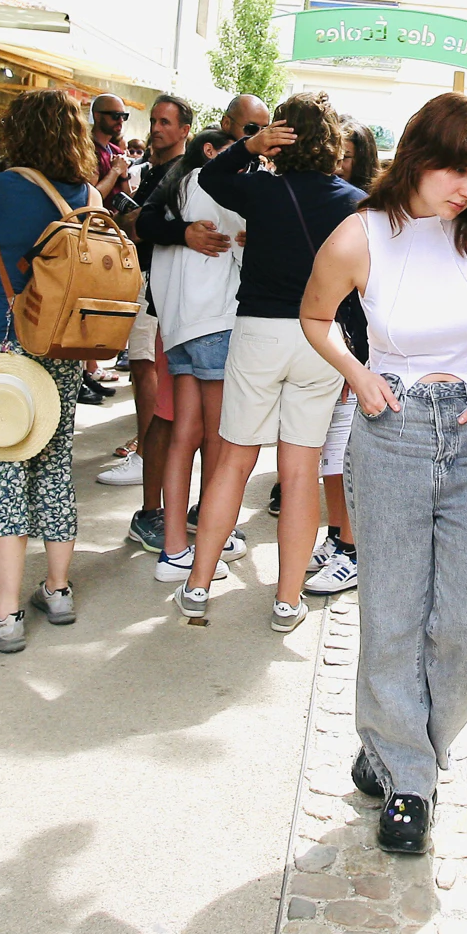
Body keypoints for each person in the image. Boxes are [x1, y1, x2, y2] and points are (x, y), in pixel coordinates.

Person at [298, 93, 467, 855]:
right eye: (456, 170)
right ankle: (411, 778)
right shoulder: (359, 235)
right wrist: (357, 373)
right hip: (395, 428)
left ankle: (397, 747)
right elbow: (315, 317)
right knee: (393, 612)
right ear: (417, 155)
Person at [180, 93, 364, 630]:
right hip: (321, 338)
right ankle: (286, 601)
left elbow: (210, 178)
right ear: (331, 141)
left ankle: (197, 585)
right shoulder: (354, 201)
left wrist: (250, 145)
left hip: (258, 332)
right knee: (301, 470)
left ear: (282, 136)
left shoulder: (259, 189)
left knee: (234, 461)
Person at [0, 88, 95, 648]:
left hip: (4, 346)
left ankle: (5, 613)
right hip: (60, 350)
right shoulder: (83, 193)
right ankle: (57, 590)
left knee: (1, 468)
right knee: (53, 465)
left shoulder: (1, 186)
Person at [147, 126, 248, 585]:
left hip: (178, 327)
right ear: (212, 152)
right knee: (218, 440)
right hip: (215, 324)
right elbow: (245, 252)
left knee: (184, 435)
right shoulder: (217, 188)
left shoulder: (179, 185)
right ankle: (213, 536)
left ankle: (173, 548)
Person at [106, 93, 198, 539]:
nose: (157, 127)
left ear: (185, 130)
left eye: (167, 122)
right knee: (149, 381)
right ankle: (151, 497)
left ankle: (147, 465)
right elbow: (133, 223)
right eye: (154, 120)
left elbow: (142, 225)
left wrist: (144, 222)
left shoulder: (184, 175)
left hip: (163, 294)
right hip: (144, 287)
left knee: (153, 382)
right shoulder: (151, 173)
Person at [301, 119, 382, 598]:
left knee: (350, 454)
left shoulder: (366, 211)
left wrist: (358, 361)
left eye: (347, 155)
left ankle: (351, 549)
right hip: (337, 337)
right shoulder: (337, 204)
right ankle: (338, 538)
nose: (338, 163)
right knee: (332, 454)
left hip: (362, 344)